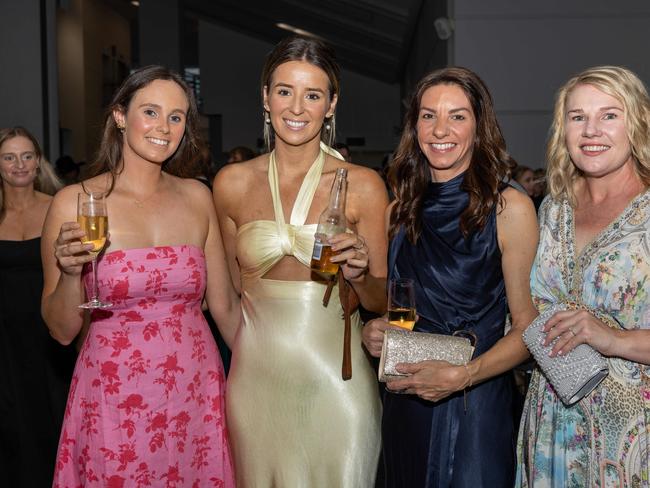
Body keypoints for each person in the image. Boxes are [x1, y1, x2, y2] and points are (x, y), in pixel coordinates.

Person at [41, 66, 238, 487]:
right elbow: (60, 330)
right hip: (113, 393)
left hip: (194, 389)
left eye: (176, 116)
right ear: (119, 115)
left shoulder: (198, 197)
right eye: (150, 111)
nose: (163, 128)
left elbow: (224, 308)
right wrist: (72, 272)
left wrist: (270, 372)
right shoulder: (73, 202)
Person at [213, 36, 388, 487]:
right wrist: (254, 354)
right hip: (256, 384)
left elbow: (380, 301)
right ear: (266, 98)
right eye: (284, 90)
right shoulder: (231, 183)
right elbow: (232, 294)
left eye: (313, 94)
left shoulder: (364, 186)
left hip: (337, 383)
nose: (297, 106)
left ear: (331, 105)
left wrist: (360, 272)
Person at [362, 67, 539, 487]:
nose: (440, 129)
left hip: (473, 400)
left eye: (457, 116)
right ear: (414, 126)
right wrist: (372, 330)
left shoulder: (508, 207)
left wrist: (466, 375)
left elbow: (528, 326)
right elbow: (395, 307)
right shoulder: (398, 211)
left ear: (479, 126)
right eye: (428, 116)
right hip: (406, 398)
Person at [516, 66, 650, 486]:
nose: (592, 130)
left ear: (638, 123)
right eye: (578, 117)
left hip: (631, 432)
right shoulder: (553, 207)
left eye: (609, 115)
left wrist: (615, 339)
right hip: (550, 420)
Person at [0, 126, 76, 487]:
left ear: (38, 161)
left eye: (27, 155)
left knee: (52, 419)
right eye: (9, 157)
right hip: (3, 342)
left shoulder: (58, 207)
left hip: (48, 334)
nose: (19, 164)